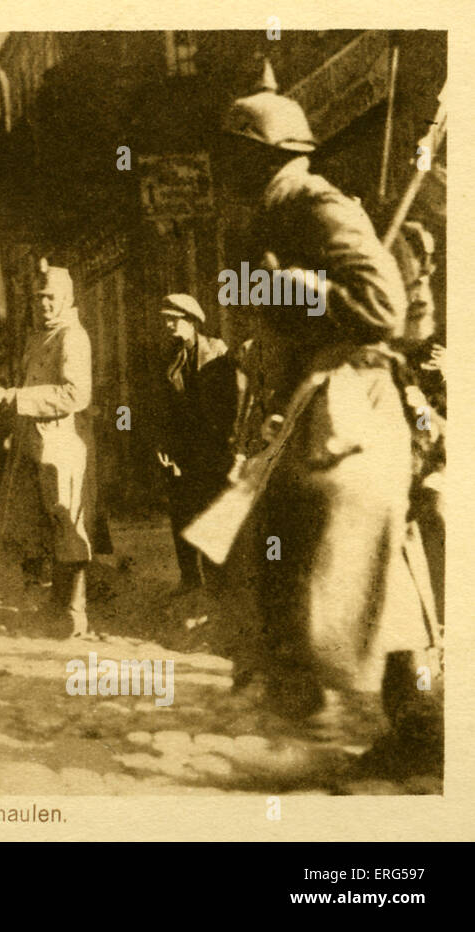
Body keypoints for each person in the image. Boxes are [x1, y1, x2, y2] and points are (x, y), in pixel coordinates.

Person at [211, 64, 439, 772]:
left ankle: (325, 714)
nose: (223, 169)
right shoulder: (272, 213)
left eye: (233, 155)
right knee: (333, 556)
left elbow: (381, 307)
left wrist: (296, 290)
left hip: (353, 407)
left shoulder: (315, 204)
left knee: (333, 551)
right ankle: (412, 720)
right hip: (316, 408)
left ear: (264, 155)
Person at [0, 262, 95, 637]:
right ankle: (55, 604)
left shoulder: (72, 336)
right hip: (32, 441)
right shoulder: (39, 337)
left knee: (67, 521)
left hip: (62, 441)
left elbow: (76, 394)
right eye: (38, 299)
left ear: (66, 298)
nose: (44, 305)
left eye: (51, 298)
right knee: (40, 525)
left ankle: (74, 611)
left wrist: (18, 398)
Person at [154, 293, 238, 595]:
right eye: (165, 319)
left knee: (212, 512)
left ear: (191, 321)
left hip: (212, 448)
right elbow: (163, 407)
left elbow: (231, 402)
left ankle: (218, 582)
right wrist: (163, 444)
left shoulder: (217, 351)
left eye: (173, 319)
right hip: (181, 448)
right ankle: (189, 578)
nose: (168, 324)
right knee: (181, 511)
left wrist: (227, 444)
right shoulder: (170, 357)